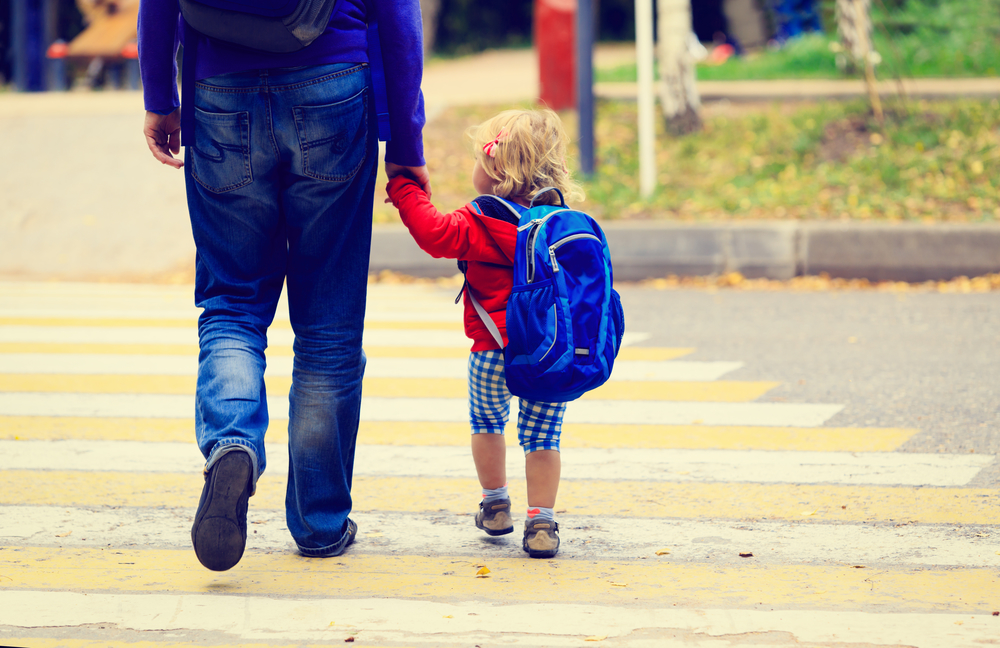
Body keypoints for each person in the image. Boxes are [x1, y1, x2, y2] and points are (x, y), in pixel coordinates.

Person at [138, 0, 429, 571]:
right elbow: (397, 15)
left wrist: (159, 97)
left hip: (219, 89)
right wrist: (406, 144)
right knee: (329, 323)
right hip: (332, 85)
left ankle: (232, 443)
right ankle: (319, 524)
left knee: (232, 303)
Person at [385, 108, 582, 559]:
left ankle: (495, 504)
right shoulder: (561, 225)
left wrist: (404, 188)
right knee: (543, 438)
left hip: (491, 350)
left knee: (487, 424)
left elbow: (434, 233)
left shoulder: (482, 220)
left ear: (494, 169)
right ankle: (542, 521)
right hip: (549, 354)